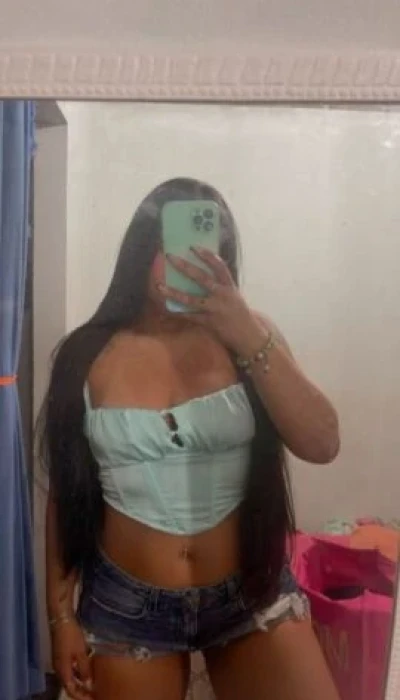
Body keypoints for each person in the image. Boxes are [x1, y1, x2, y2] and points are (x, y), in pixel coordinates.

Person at [38, 178, 341, 700]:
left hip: (249, 591)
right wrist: (61, 616)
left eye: (205, 248)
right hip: (127, 606)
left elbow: (323, 444)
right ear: (141, 252)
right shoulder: (86, 353)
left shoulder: (251, 336)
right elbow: (67, 496)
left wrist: (246, 331)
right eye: (170, 246)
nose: (186, 261)